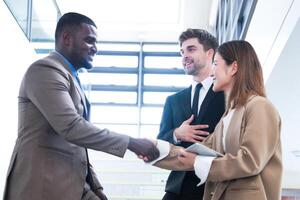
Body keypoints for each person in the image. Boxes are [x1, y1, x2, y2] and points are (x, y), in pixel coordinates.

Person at [3, 12, 159, 200]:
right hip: (41, 187)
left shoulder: (70, 77)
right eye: (89, 41)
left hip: (72, 185)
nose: (95, 48)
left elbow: (78, 148)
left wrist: (95, 188)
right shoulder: (45, 70)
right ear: (67, 39)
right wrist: (131, 143)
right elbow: (71, 127)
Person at [154, 40, 282, 200]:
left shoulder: (260, 106)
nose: (212, 71)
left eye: (215, 63)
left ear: (233, 67)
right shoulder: (227, 117)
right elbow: (193, 153)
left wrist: (196, 162)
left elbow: (250, 160)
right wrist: (152, 151)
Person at [157, 29, 225, 200]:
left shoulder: (228, 95)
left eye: (191, 49)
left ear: (210, 53)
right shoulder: (173, 101)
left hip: (213, 186)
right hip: (177, 188)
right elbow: (160, 141)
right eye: (182, 51)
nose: (184, 55)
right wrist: (176, 133)